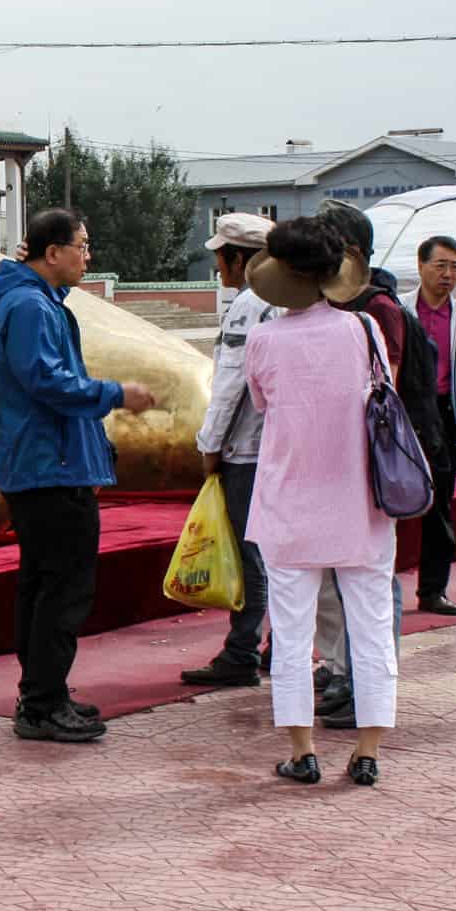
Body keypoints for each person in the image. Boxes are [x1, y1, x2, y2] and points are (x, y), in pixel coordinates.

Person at [0, 209, 156, 743]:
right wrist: (115, 395)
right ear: (50, 253)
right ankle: (42, 700)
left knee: (44, 582)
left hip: (44, 463)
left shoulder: (30, 302)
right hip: (48, 467)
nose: (87, 255)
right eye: (81, 244)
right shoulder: (30, 305)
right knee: (62, 587)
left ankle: (42, 691)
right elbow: (48, 382)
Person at [244, 217, 395, 786]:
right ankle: (369, 752)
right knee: (372, 626)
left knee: (291, 630)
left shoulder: (263, 339)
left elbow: (262, 404)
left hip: (288, 503)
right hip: (362, 503)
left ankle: (302, 751)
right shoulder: (364, 330)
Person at [310, 202, 442, 728]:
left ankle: (367, 680)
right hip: (334, 461)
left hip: (370, 463)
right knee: (332, 573)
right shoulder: (328, 305)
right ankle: (342, 670)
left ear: (350, 254)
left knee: (369, 575)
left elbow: (371, 391)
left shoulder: (378, 310)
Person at [181, 213, 279, 688]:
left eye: (222, 256)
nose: (218, 266)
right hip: (277, 446)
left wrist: (210, 444)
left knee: (250, 555)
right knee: (277, 555)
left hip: (245, 449)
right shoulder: (284, 302)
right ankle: (278, 644)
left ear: (238, 259)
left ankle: (241, 649)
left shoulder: (249, 305)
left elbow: (231, 384)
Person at [400, 235, 456, 617]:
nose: (449, 274)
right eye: (441, 265)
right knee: (392, 499)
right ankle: (382, 589)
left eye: (455, 267)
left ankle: (433, 589)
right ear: (420, 266)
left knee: (442, 506)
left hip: (446, 412)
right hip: (404, 413)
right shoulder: (399, 311)